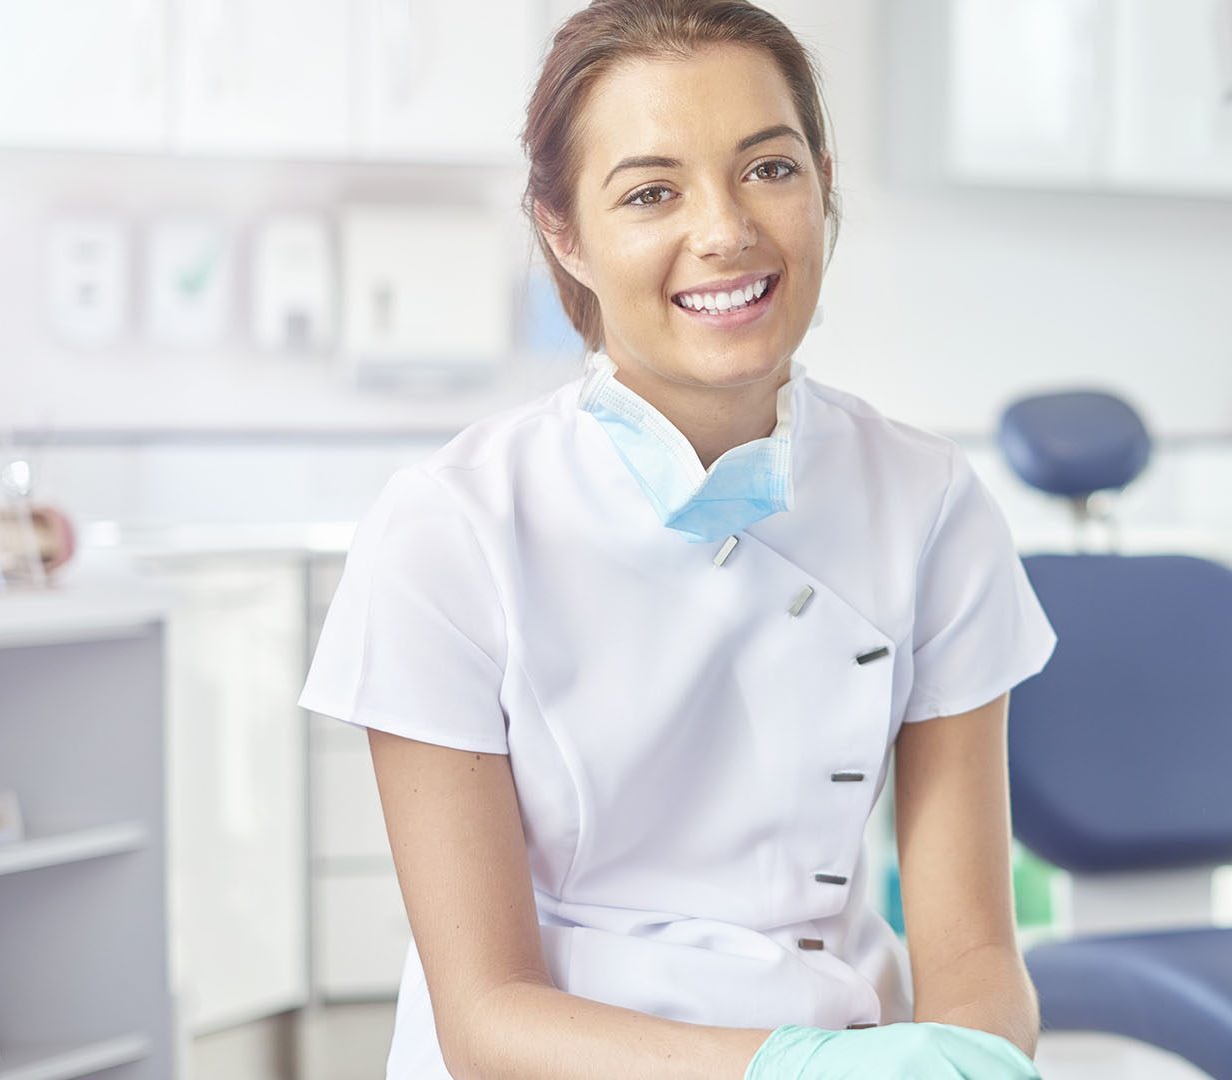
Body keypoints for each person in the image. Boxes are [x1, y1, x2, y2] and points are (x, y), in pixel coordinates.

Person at [296, 1, 1059, 1076]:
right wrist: (784, 1070)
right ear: (564, 231)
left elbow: (975, 946)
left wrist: (966, 1062)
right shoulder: (451, 529)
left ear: (824, 183)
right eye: (652, 191)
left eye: (770, 169)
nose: (727, 230)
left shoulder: (929, 503)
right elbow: (486, 1017)